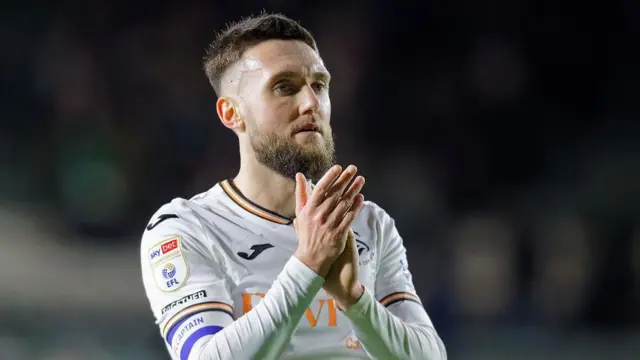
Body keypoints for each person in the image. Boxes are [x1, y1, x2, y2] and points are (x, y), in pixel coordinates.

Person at [140, 12, 446, 360]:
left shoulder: (368, 224)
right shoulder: (186, 228)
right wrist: (308, 266)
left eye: (319, 85)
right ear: (231, 113)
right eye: (284, 87)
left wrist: (355, 300)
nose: (311, 103)